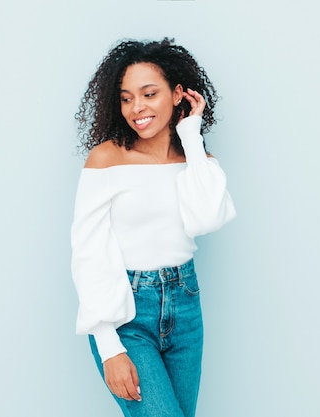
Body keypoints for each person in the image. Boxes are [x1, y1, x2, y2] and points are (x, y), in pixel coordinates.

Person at [70, 37, 236, 417]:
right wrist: (108, 344)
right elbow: (88, 251)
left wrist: (191, 136)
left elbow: (208, 218)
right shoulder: (107, 158)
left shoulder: (196, 159)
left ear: (178, 94)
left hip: (186, 309)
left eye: (149, 94)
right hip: (127, 312)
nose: (137, 108)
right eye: (127, 98)